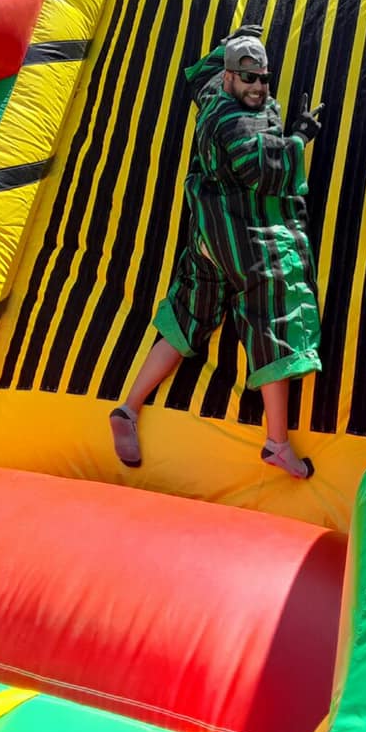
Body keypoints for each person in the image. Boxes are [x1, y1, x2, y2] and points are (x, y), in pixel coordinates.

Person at [109, 25, 323, 478]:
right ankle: (277, 442)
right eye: (248, 79)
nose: (259, 87)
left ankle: (127, 408)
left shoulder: (213, 96)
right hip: (244, 236)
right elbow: (257, 170)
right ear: (230, 79)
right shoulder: (237, 119)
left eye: (264, 78)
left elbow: (198, 78)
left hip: (209, 234)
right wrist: (300, 138)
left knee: (189, 313)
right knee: (273, 316)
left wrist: (231, 40)